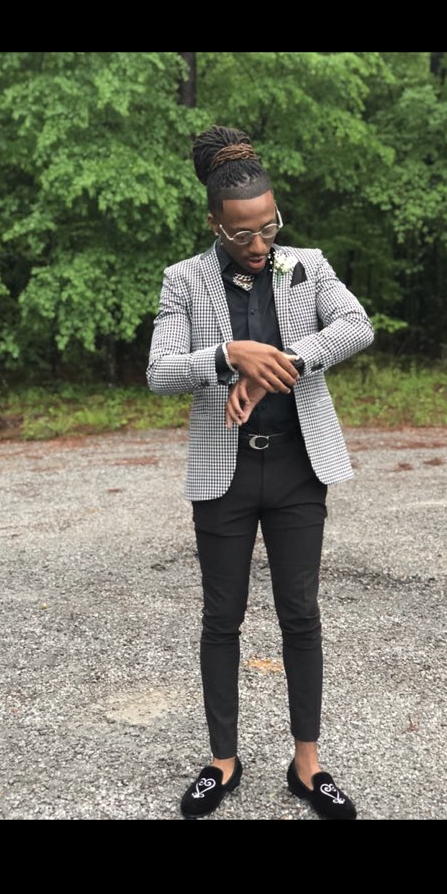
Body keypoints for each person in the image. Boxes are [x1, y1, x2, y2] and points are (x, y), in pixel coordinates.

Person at [147, 125, 375, 820]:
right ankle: (223, 761)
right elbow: (160, 372)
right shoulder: (183, 280)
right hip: (225, 472)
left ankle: (307, 765)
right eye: (242, 231)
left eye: (268, 225)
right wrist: (228, 355)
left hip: (299, 467)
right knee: (222, 617)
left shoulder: (307, 265)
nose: (259, 242)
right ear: (213, 223)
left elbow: (356, 326)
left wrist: (283, 362)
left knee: (300, 613)